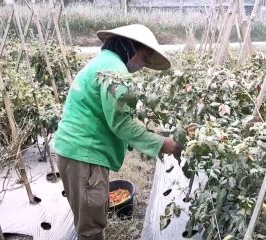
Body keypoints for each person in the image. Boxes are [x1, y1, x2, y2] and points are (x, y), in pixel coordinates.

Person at [52, 24, 182, 240]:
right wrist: (162, 143)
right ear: (130, 47)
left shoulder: (102, 63)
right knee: (91, 227)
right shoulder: (116, 73)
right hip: (84, 155)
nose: (142, 65)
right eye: (144, 56)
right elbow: (121, 124)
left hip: (76, 152)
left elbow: (109, 117)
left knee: (89, 218)